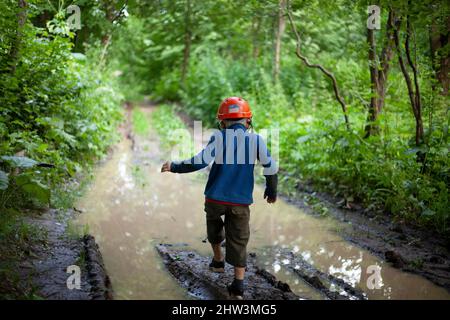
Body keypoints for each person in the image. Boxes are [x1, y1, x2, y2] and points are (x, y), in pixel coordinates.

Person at [161, 96, 278, 299]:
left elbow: (200, 162)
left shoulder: (219, 137)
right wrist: (271, 188)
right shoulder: (256, 139)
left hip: (215, 198)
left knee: (214, 226)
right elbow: (270, 166)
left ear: (222, 122)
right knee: (239, 239)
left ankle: (217, 260)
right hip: (240, 203)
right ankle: (238, 285)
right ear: (248, 121)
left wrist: (175, 166)